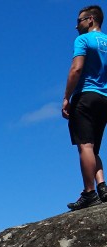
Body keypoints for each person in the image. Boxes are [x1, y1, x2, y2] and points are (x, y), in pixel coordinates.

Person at [62, 5, 107, 210]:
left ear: (90, 20)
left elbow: (76, 68)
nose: (76, 26)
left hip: (86, 96)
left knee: (85, 146)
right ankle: (102, 186)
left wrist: (66, 97)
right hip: (104, 99)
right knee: (94, 147)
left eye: (79, 20)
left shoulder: (83, 40)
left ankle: (89, 193)